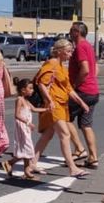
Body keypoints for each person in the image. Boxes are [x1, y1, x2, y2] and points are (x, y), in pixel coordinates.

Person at [33, 38, 90, 178]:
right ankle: (72, 168)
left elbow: (69, 89)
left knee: (48, 135)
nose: (71, 55)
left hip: (61, 104)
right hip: (54, 104)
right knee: (65, 134)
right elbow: (41, 83)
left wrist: (81, 103)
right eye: (68, 52)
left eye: (71, 52)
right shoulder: (52, 63)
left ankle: (32, 162)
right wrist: (49, 100)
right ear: (60, 51)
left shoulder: (62, 67)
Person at [68, 22, 101, 168]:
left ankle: (79, 149)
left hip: (82, 91)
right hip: (93, 90)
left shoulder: (80, 46)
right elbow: (96, 68)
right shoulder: (88, 46)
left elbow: (86, 69)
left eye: (71, 30)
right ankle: (93, 157)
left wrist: (75, 85)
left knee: (63, 117)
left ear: (77, 32)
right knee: (86, 125)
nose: (69, 33)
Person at [2, 78, 45, 180]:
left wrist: (47, 109)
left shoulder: (26, 101)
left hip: (26, 127)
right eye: (30, 88)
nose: (32, 90)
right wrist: (28, 123)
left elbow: (34, 109)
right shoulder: (19, 100)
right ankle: (10, 163)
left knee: (26, 149)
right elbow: (16, 115)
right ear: (23, 90)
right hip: (22, 127)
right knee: (27, 148)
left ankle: (25, 171)